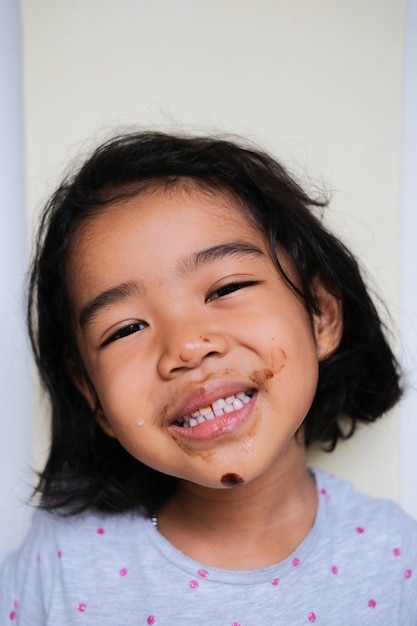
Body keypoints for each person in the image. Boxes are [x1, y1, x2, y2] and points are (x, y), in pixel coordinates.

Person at [1, 131, 416, 625]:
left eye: (226, 288)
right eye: (127, 328)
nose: (187, 347)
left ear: (320, 315)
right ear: (92, 396)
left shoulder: (396, 561)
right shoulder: (62, 561)